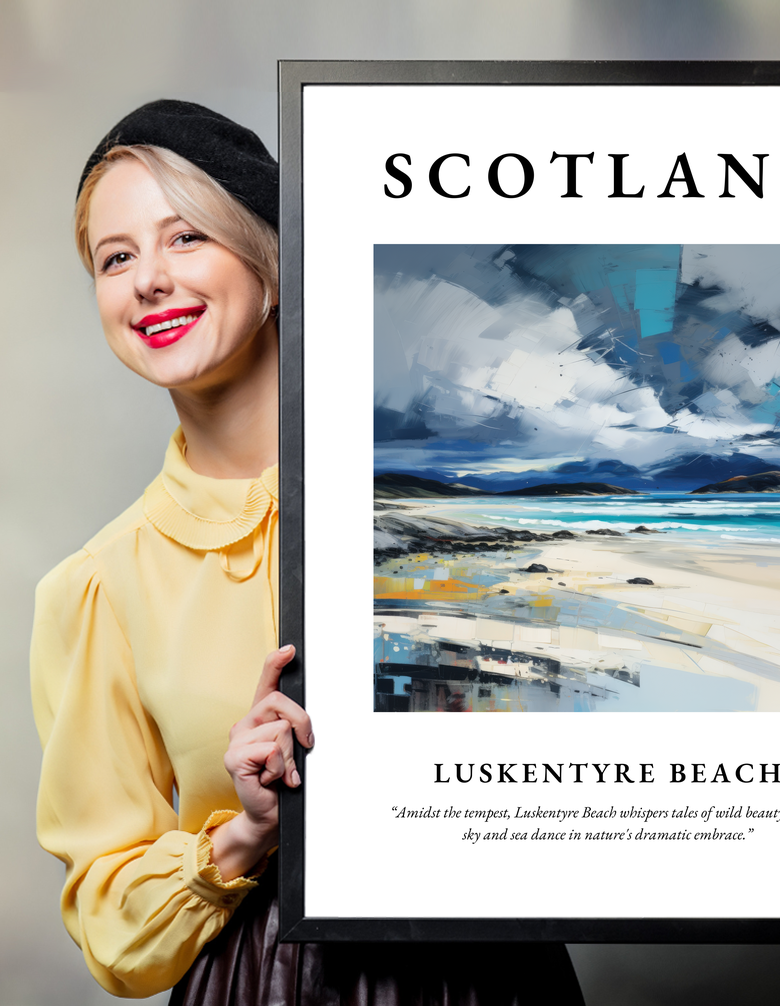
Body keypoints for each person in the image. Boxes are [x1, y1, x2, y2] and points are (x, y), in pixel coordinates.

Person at [30, 100, 586, 1004]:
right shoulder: (97, 587)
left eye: (185, 239)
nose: (148, 281)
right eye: (116, 257)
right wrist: (245, 832)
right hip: (262, 982)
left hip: (492, 973)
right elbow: (110, 923)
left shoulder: (451, 501)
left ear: (273, 263)